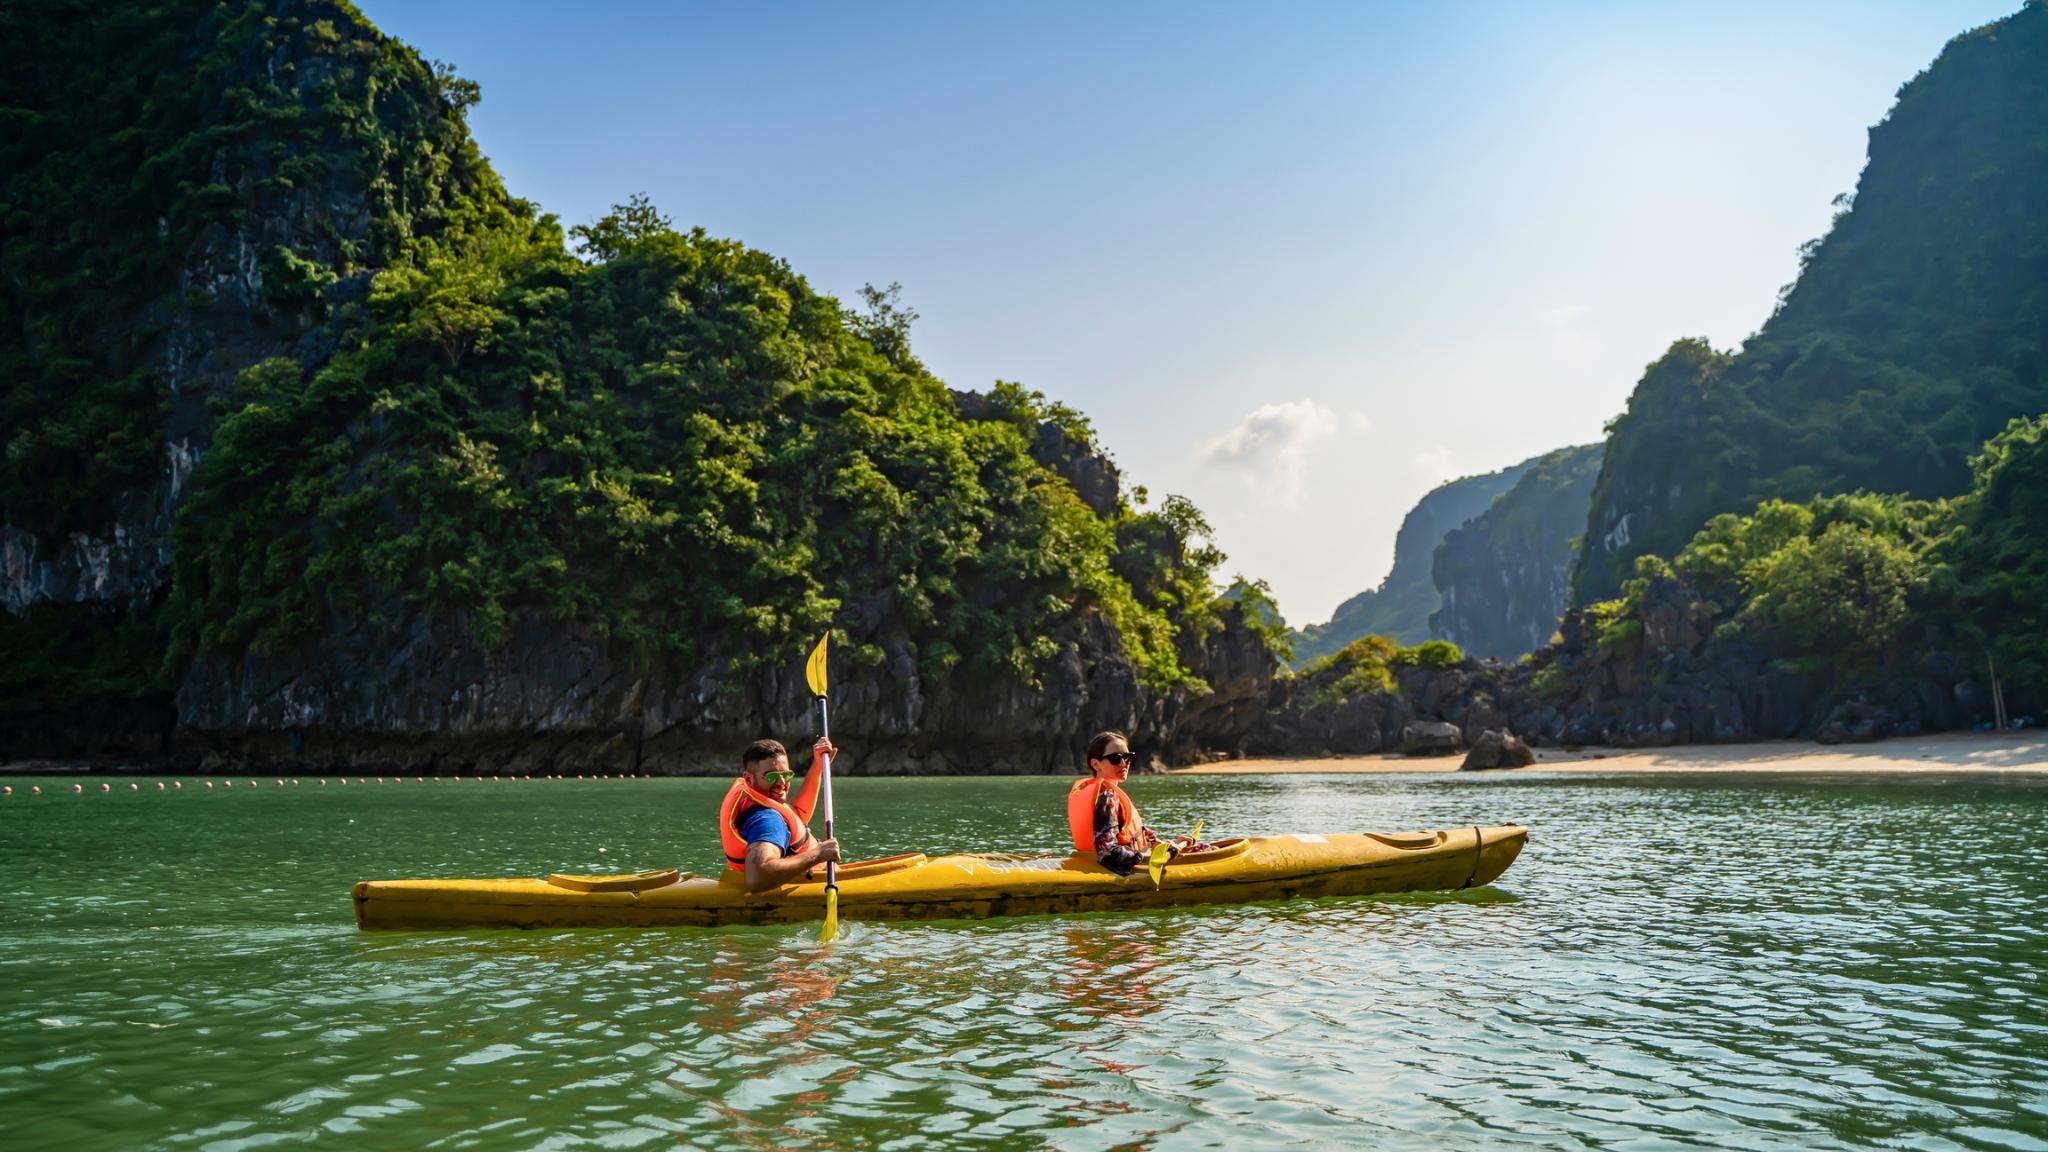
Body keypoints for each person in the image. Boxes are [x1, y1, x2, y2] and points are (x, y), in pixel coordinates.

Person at [1066, 731, 1200, 876]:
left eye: (1128, 757)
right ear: (1096, 764)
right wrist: (1150, 857)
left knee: (1203, 848)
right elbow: (1108, 853)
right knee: (1209, 852)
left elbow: (1137, 834)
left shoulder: (1103, 793)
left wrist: (1169, 846)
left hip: (1088, 862)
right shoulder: (1107, 797)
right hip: (1118, 869)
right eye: (1115, 759)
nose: (1124, 764)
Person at [719, 737, 841, 894]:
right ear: (749, 779)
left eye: (786, 775)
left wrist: (818, 766)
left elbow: (798, 813)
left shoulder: (764, 804)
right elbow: (757, 879)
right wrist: (818, 854)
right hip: (819, 888)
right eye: (771, 776)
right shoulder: (767, 820)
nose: (782, 783)